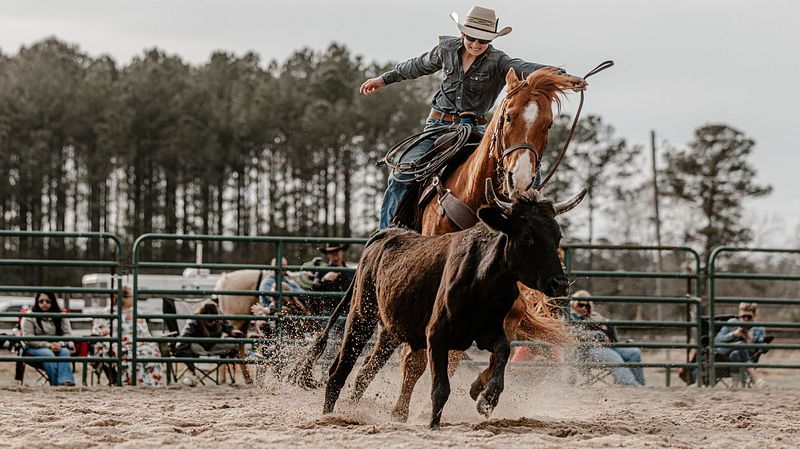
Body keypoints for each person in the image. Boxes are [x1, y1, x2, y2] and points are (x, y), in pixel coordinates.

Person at [360, 6, 588, 229]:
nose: (476, 44)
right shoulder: (446, 49)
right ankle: (386, 234)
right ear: (462, 33)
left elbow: (526, 67)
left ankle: (526, 229)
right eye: (472, 38)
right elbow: (417, 66)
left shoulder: (498, 61)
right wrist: (382, 80)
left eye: (483, 40)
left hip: (475, 128)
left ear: (491, 41)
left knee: (529, 174)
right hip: (437, 125)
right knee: (402, 173)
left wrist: (566, 78)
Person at [91, 285, 164, 386]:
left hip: (138, 344)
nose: (134, 299)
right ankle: (128, 382)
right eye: (131, 296)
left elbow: (145, 334)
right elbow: (100, 334)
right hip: (118, 344)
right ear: (123, 298)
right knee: (127, 354)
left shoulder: (137, 312)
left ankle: (151, 383)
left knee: (152, 352)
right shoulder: (106, 313)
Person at [569, 290, 645, 386]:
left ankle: (640, 384)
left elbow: (606, 327)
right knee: (613, 356)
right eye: (581, 305)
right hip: (588, 348)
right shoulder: (571, 317)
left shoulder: (594, 315)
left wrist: (608, 327)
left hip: (608, 345)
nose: (584, 308)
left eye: (587, 305)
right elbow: (574, 334)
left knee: (634, 352)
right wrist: (597, 335)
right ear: (574, 304)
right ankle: (630, 384)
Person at [175, 302, 243, 386]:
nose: (212, 323)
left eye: (214, 320)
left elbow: (227, 326)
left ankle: (231, 374)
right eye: (209, 320)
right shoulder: (194, 320)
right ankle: (192, 372)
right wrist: (191, 365)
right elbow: (184, 337)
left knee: (234, 343)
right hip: (199, 346)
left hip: (214, 345)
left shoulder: (219, 317)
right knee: (186, 344)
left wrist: (231, 331)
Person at [21, 291, 76, 386]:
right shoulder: (29, 316)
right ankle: (55, 384)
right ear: (36, 302)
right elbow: (29, 338)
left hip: (57, 346)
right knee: (48, 353)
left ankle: (65, 382)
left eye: (48, 301)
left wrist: (60, 344)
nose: (44, 304)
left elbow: (68, 334)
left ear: (53, 302)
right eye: (41, 301)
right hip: (35, 347)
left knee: (65, 352)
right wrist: (48, 345)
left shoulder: (61, 315)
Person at [714, 302, 768, 388]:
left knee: (735, 353)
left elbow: (760, 348)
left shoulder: (758, 328)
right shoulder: (732, 322)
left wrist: (750, 340)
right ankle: (755, 378)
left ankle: (735, 384)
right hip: (723, 352)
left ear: (754, 316)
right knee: (740, 345)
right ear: (739, 315)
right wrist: (733, 335)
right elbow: (717, 340)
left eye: (749, 317)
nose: (745, 319)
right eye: (743, 316)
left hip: (744, 355)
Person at [298, 243, 355, 316]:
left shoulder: (351, 272)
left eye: (337, 251)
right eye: (331, 252)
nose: (334, 255)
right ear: (328, 254)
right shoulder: (322, 271)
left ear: (342, 252)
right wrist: (324, 279)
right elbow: (314, 290)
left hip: (348, 310)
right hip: (330, 310)